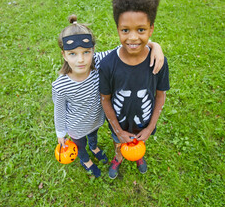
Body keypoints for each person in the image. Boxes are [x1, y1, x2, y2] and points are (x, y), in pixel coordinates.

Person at [52, 14, 165, 178]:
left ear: (93, 50)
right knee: (80, 145)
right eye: (73, 54)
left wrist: (155, 45)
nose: (81, 60)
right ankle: (85, 160)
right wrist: (60, 133)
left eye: (86, 52)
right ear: (64, 54)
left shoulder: (97, 62)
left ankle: (95, 147)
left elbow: (126, 46)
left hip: (96, 121)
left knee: (93, 137)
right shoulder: (60, 86)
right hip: (76, 128)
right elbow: (60, 111)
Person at [99, 0, 170, 179]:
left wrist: (149, 128)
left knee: (140, 141)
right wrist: (118, 130)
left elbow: (160, 96)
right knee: (118, 141)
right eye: (125, 30)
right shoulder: (107, 65)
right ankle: (118, 156)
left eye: (140, 30)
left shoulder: (158, 62)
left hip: (144, 124)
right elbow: (105, 99)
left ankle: (138, 155)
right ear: (118, 29)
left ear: (151, 29)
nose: (132, 37)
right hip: (118, 124)